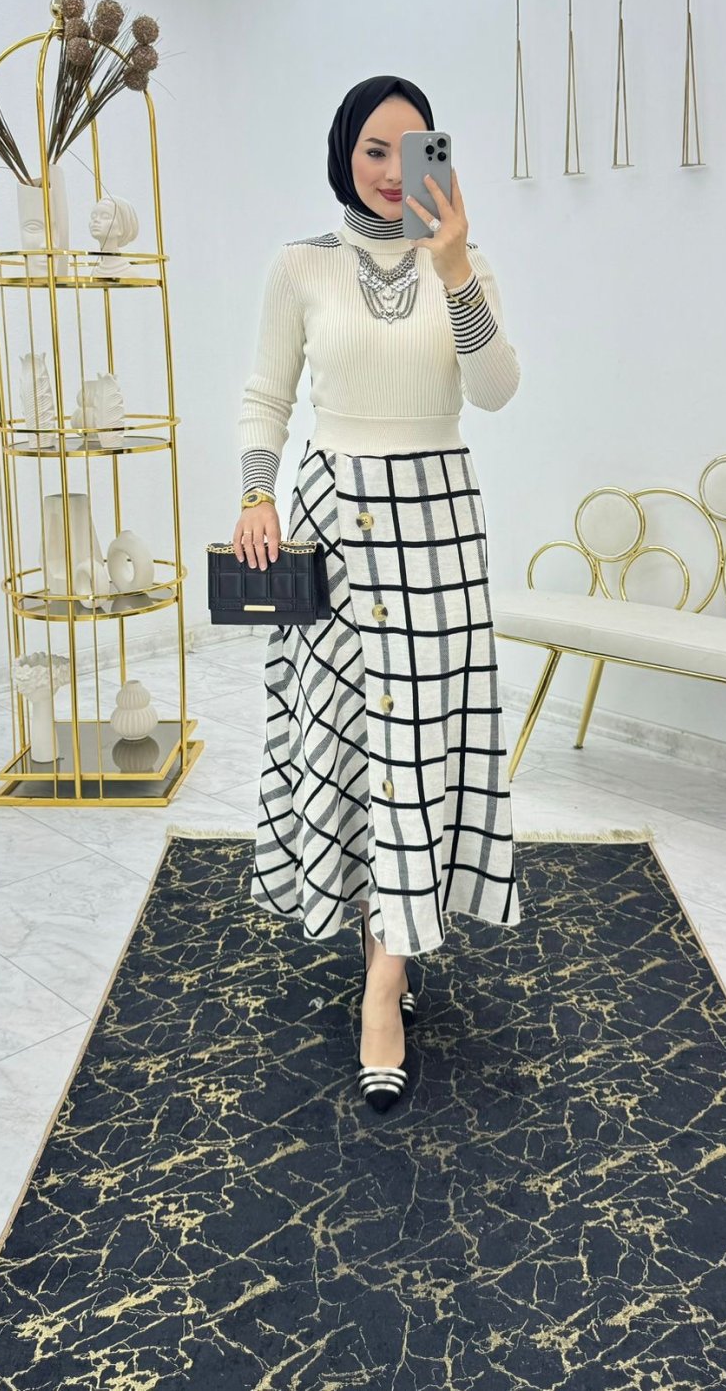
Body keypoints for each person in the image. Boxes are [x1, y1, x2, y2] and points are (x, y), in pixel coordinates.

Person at [233, 75, 523, 1112]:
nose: (395, 171)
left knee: (417, 748)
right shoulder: (301, 264)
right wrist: (257, 494)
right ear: (343, 154)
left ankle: (383, 987)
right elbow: (266, 394)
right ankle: (380, 938)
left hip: (437, 527)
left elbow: (495, 390)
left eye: (414, 150)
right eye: (373, 149)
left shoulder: (464, 263)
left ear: (438, 158)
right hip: (333, 526)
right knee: (354, 745)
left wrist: (454, 267)